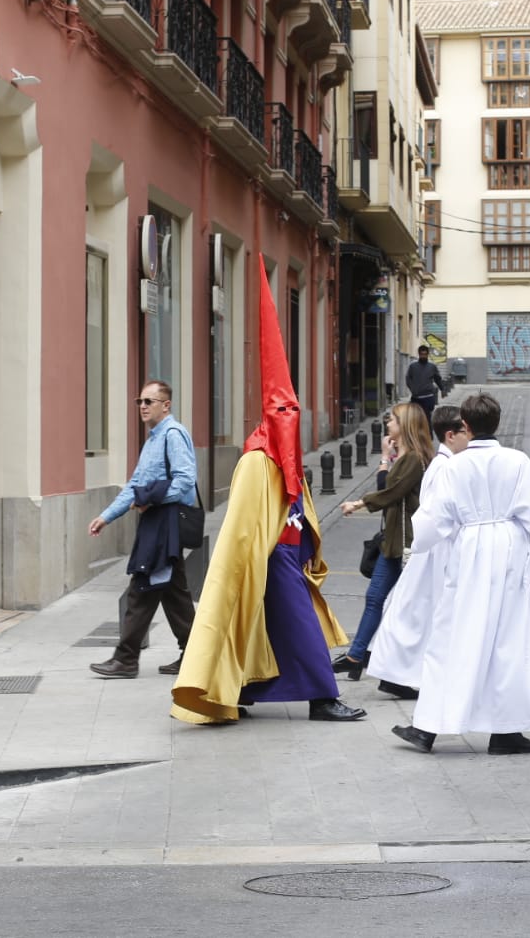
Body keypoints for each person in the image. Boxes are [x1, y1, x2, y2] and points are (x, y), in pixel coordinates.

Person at [172, 258, 364, 725]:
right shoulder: (257, 460)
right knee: (296, 628)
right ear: (267, 416)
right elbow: (242, 529)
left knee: (269, 630)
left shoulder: (285, 460)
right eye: (282, 410)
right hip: (268, 559)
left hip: (287, 557)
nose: (290, 419)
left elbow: (298, 505)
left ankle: (239, 692)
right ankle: (322, 698)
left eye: (293, 410)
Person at [390, 392, 530, 755]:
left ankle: (428, 728)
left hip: (468, 552)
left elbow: (432, 520)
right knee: (508, 641)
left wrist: (419, 545)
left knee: (452, 635)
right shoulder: (516, 461)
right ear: (496, 423)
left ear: (464, 426)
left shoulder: (455, 466)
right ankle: (506, 731)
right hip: (508, 551)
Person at [87, 380, 199, 679]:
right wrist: (106, 516)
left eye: (150, 401)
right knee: (173, 594)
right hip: (156, 523)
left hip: (166, 523)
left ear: (167, 405)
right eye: (140, 401)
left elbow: (186, 480)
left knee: (142, 587)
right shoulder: (152, 440)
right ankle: (196, 656)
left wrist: (152, 499)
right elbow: (135, 486)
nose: (143, 406)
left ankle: (125, 660)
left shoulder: (173, 435)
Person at [365, 404, 468, 695]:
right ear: (450, 435)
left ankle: (392, 671)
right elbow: (435, 511)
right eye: (464, 432)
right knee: (418, 614)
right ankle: (397, 672)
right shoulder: (443, 466)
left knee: (410, 612)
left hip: (427, 547)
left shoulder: (439, 463)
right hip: (432, 548)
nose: (468, 438)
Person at [335, 402, 433, 695]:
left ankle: (390, 668)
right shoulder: (403, 455)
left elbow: (390, 491)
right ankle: (356, 655)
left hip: (406, 543)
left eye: (391, 419)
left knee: (401, 607)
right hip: (391, 541)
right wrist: (387, 457)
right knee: (375, 597)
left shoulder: (415, 459)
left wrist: (358, 502)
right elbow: (387, 487)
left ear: (404, 424)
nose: (387, 423)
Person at [405, 345, 443, 427]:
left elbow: (437, 378)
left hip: (428, 397)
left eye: (425, 354)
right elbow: (408, 379)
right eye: (422, 354)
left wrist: (442, 388)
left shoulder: (432, 367)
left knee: (427, 418)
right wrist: (413, 389)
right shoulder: (413, 366)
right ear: (419, 354)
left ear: (428, 354)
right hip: (416, 397)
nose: (423, 356)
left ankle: (429, 436)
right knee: (415, 419)